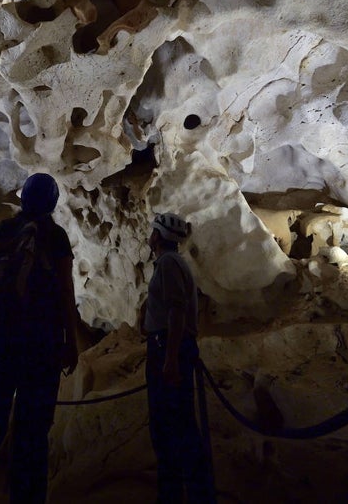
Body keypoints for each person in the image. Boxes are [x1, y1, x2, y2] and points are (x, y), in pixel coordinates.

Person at [0, 173, 79, 504]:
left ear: (23, 199)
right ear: (52, 203)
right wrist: (71, 340)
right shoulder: (54, 236)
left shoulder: (1, 231)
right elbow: (65, 291)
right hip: (39, 348)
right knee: (32, 435)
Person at [145, 212, 214, 504]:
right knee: (177, 423)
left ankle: (179, 494)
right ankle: (190, 492)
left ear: (158, 236)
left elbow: (176, 311)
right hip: (169, 346)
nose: (150, 235)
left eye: (153, 231)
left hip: (168, 347)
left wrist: (170, 359)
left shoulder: (169, 264)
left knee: (171, 425)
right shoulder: (170, 262)